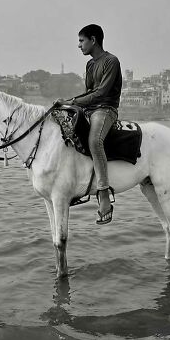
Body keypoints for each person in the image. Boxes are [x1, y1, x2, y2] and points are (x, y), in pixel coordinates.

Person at [56, 24, 122, 225]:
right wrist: (68, 102)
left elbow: (101, 93)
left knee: (94, 141)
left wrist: (73, 102)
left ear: (93, 40)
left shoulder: (111, 61)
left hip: (105, 110)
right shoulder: (90, 65)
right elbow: (88, 92)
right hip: (89, 109)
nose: (79, 45)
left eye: (81, 41)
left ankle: (103, 193)